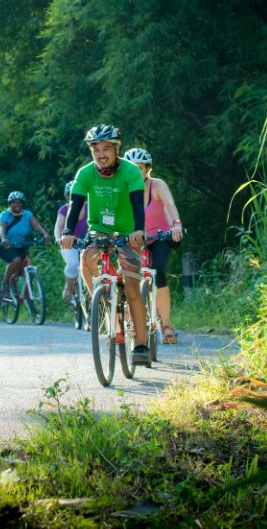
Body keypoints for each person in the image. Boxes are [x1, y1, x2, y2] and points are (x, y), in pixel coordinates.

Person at [60, 124, 150, 364]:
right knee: (86, 257)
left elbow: (137, 204)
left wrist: (138, 230)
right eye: (96, 149)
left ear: (116, 149)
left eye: (106, 149)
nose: (101, 154)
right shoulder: (85, 173)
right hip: (99, 229)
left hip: (128, 232)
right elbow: (76, 204)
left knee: (132, 287)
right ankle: (98, 303)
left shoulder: (130, 171)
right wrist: (68, 231)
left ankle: (140, 344)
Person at [123, 148, 184, 344]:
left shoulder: (158, 185)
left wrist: (176, 224)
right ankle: (131, 321)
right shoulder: (123, 188)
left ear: (147, 169)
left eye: (139, 168)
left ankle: (166, 325)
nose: (135, 172)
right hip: (134, 239)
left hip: (159, 237)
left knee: (158, 271)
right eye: (131, 168)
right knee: (129, 277)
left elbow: (170, 204)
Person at [0, 191, 51, 298]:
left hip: (22, 245)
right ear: (10, 203)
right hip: (6, 246)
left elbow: (37, 226)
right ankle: (5, 282)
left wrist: (45, 234)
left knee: (26, 271)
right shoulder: (4, 215)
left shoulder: (27, 215)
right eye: (14, 202)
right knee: (16, 260)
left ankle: (30, 304)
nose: (17, 205)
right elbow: (2, 229)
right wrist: (3, 239)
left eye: (19, 202)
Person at [54, 180, 88, 303]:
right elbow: (59, 226)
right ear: (67, 196)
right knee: (73, 263)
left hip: (87, 243)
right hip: (69, 244)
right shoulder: (64, 209)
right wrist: (59, 239)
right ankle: (68, 288)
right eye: (71, 194)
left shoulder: (90, 207)